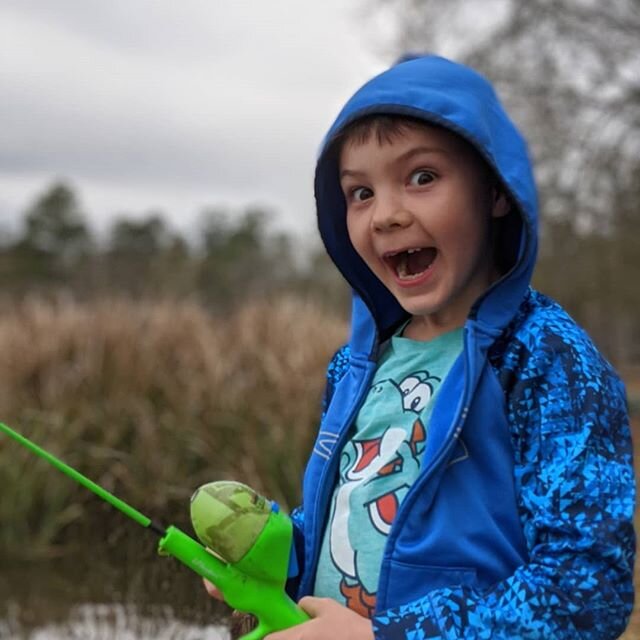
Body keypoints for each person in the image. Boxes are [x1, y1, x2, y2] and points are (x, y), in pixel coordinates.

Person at [206, 54, 636, 639]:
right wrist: (277, 559)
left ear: (496, 192)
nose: (384, 215)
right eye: (359, 193)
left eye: (422, 178)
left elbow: (586, 591)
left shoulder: (547, 358)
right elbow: (356, 511)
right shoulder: (356, 364)